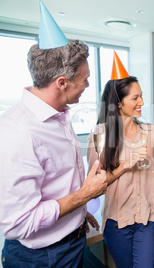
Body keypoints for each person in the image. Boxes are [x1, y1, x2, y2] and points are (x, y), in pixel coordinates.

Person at [0, 39, 108, 267]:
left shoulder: (59, 113)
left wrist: (77, 213)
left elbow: (57, 180)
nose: (88, 85)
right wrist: (84, 195)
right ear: (62, 83)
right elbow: (17, 223)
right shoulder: (17, 133)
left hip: (70, 240)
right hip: (42, 257)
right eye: (85, 79)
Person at [87, 53, 154, 268]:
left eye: (141, 96)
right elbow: (94, 187)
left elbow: (152, 177)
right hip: (117, 221)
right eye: (135, 98)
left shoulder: (149, 130)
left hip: (145, 220)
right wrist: (124, 166)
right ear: (119, 103)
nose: (142, 102)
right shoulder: (100, 134)